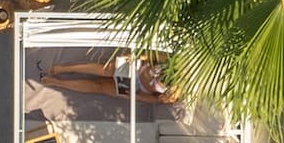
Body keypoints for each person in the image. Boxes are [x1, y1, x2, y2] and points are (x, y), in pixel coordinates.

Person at [39, 54, 179, 103]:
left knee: (99, 87)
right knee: (108, 70)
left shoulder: (177, 91)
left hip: (138, 89)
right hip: (137, 68)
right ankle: (65, 69)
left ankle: (58, 83)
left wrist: (135, 96)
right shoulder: (172, 61)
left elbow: (156, 99)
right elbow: (149, 56)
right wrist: (132, 57)